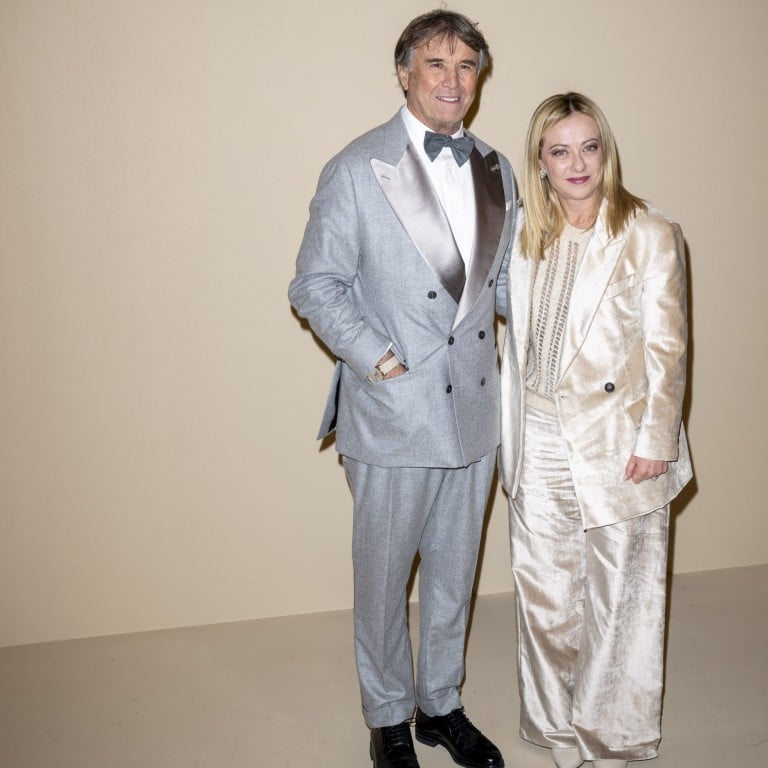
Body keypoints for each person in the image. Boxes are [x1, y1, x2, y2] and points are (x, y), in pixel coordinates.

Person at [288, 9, 516, 768]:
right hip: (395, 410)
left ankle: (440, 705)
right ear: (404, 71)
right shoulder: (357, 167)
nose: (454, 81)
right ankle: (386, 715)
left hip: (476, 409)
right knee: (384, 579)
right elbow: (315, 285)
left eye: (467, 66)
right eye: (437, 64)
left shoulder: (494, 166)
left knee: (455, 574)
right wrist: (379, 359)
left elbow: (506, 287)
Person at [498, 92, 692, 768]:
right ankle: (554, 730)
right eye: (560, 150)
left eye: (589, 146)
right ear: (540, 162)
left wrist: (654, 442)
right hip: (538, 435)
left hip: (620, 442)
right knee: (543, 592)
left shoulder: (648, 232)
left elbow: (668, 350)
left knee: (622, 598)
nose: (577, 163)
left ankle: (613, 741)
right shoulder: (526, 233)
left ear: (606, 152)